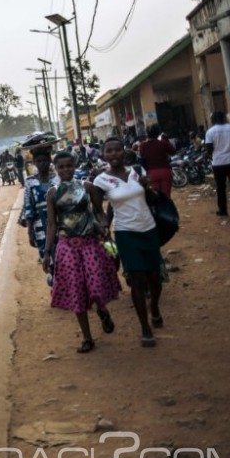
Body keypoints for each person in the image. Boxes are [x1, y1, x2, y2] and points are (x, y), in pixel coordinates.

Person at [41, 151, 119, 353]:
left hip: (90, 243)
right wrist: (47, 252)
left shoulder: (87, 187)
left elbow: (99, 211)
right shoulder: (53, 193)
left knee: (95, 285)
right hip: (67, 247)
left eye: (69, 165)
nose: (65, 170)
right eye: (61, 167)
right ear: (56, 169)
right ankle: (87, 338)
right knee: (76, 292)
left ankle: (102, 310)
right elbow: (51, 224)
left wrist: (104, 228)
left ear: (74, 166)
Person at [93, 137, 164, 348]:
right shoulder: (101, 181)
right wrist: (103, 225)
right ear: (103, 155)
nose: (114, 154)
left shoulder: (137, 171)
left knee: (154, 277)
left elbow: (153, 200)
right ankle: (145, 328)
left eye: (117, 150)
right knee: (137, 279)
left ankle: (155, 307)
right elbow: (98, 209)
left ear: (124, 152)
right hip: (125, 233)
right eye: (109, 151)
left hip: (148, 229)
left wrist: (147, 187)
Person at [20, 147, 57, 279]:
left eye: (45, 160)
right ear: (34, 162)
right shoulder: (30, 182)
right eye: (39, 161)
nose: (42, 164)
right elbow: (29, 207)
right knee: (47, 256)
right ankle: (55, 281)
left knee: (63, 254)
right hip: (40, 225)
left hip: (59, 222)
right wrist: (30, 232)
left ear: (50, 160)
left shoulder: (57, 179)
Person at [205, 111, 230, 217]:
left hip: (218, 163)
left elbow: (209, 150)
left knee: (220, 187)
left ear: (213, 119)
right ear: (224, 118)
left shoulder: (210, 132)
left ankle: (223, 210)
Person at [136, 124, 176, 196]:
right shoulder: (163, 143)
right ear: (158, 133)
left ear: (147, 134)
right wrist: (166, 140)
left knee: (156, 196)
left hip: (151, 173)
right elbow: (173, 152)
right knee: (166, 196)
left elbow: (141, 157)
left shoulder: (143, 145)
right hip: (165, 171)